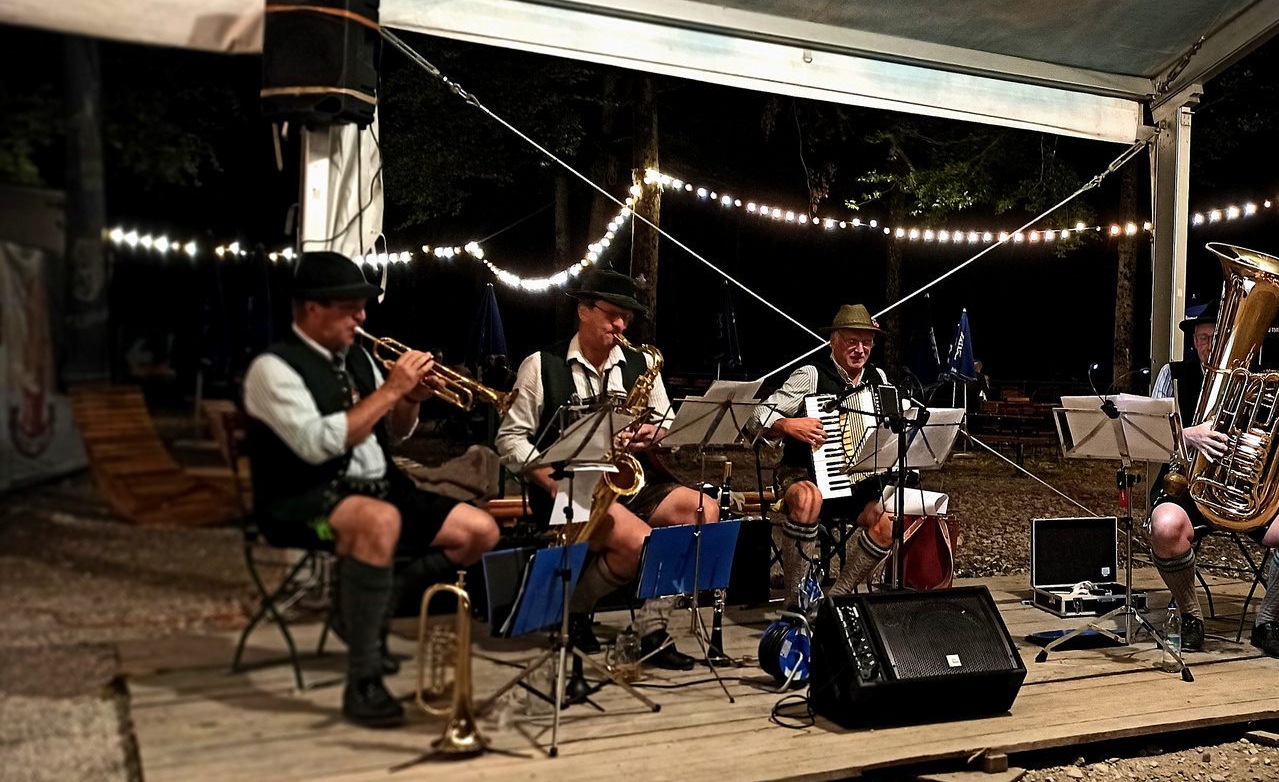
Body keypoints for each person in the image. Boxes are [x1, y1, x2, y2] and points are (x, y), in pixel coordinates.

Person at [243, 252, 500, 727]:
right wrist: (390, 389)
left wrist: (410, 399)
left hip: (382, 485)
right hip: (306, 500)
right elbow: (318, 444)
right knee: (378, 522)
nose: (363, 316)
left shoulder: (359, 356)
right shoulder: (273, 369)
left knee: (480, 531)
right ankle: (363, 680)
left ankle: (365, 612)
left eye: (364, 305)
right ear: (312, 309)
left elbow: (395, 435)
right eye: (350, 306)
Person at [496, 267, 718, 670]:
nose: (619, 325)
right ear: (583, 310)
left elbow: (667, 422)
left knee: (702, 510)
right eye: (611, 314)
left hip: (626, 480)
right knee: (638, 541)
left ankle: (652, 631)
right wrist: (548, 480)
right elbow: (509, 440)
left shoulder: (640, 363)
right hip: (568, 486)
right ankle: (575, 610)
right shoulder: (542, 365)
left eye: (626, 318)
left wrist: (654, 433)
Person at [1148, 306, 1279, 659]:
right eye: (1203, 338)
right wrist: (1186, 435)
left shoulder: (1275, 382)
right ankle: (1189, 616)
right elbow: (1150, 436)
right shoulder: (1174, 375)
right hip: (1190, 483)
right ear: (1194, 343)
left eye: (1220, 338)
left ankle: (1267, 620)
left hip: (1254, 490)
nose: (1211, 346)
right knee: (1165, 526)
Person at [748, 305, 898, 609]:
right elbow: (756, 416)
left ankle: (836, 599)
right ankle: (795, 602)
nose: (860, 350)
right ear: (833, 341)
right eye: (851, 342)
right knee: (808, 498)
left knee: (890, 522)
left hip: (856, 481)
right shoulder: (812, 376)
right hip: (801, 472)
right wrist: (787, 425)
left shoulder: (877, 377)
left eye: (866, 343)